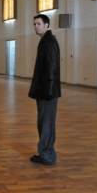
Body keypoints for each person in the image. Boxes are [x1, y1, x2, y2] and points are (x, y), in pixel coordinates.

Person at [28, 14, 61, 166]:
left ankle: (47, 155)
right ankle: (45, 153)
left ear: (46, 24)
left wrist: (48, 91)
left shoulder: (49, 42)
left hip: (47, 92)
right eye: (34, 24)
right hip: (44, 91)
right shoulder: (45, 41)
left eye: (39, 24)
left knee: (46, 123)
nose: (36, 26)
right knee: (44, 123)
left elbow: (52, 68)